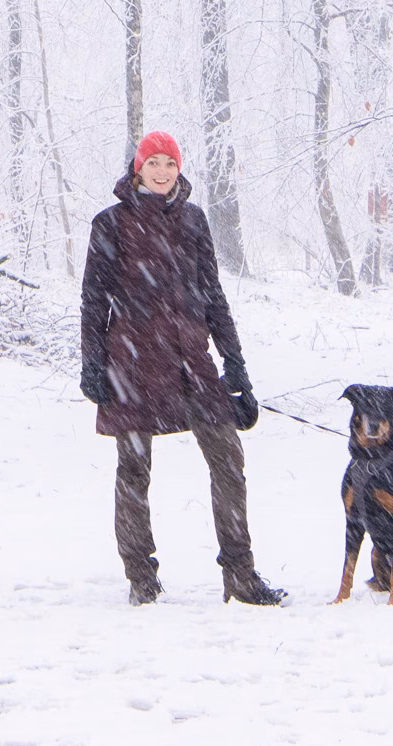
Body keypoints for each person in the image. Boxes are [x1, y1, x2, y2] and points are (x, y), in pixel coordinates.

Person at [81, 130, 286, 607]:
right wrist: (92, 364)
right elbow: (94, 301)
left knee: (228, 461)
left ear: (178, 169)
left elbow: (213, 294)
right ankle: (141, 577)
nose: (162, 172)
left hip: (192, 360)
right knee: (134, 470)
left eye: (169, 164)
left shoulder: (194, 220)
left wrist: (235, 366)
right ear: (138, 168)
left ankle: (240, 573)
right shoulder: (110, 224)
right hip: (131, 363)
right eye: (153, 163)